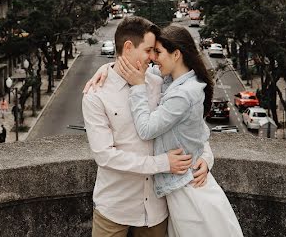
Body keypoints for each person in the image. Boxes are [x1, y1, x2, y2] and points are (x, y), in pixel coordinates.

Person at [82, 16, 213, 237]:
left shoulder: (158, 83)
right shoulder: (96, 95)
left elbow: (193, 126)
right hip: (115, 207)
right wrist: (162, 163)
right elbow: (105, 156)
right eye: (149, 50)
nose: (153, 58)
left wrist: (206, 157)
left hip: (156, 208)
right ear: (128, 47)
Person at [107, 25, 243, 237]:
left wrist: (137, 87)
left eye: (158, 52)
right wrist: (104, 71)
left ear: (176, 54)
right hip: (182, 185)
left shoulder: (183, 94)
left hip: (188, 190)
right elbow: (199, 134)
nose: (153, 58)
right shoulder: (172, 80)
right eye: (152, 52)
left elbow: (146, 129)